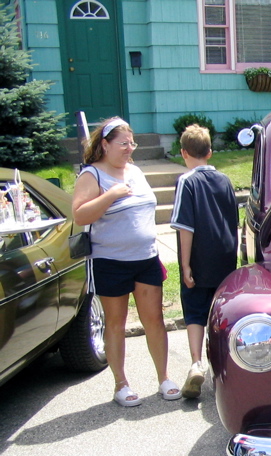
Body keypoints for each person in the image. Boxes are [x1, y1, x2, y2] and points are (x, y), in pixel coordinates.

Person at [73, 117, 181, 407]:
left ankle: (164, 378)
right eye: (123, 144)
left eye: (131, 143)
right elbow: (80, 215)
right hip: (110, 261)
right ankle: (121, 384)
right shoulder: (91, 175)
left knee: (154, 321)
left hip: (145, 258)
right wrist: (110, 195)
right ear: (105, 145)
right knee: (116, 324)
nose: (129, 149)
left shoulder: (134, 171)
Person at [170, 125, 239, 399]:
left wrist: (185, 265)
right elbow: (233, 221)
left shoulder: (186, 182)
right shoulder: (225, 180)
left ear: (183, 153)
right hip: (224, 257)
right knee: (220, 314)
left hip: (199, 257)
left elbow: (185, 227)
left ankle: (196, 363)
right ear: (210, 152)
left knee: (196, 311)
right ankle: (222, 368)